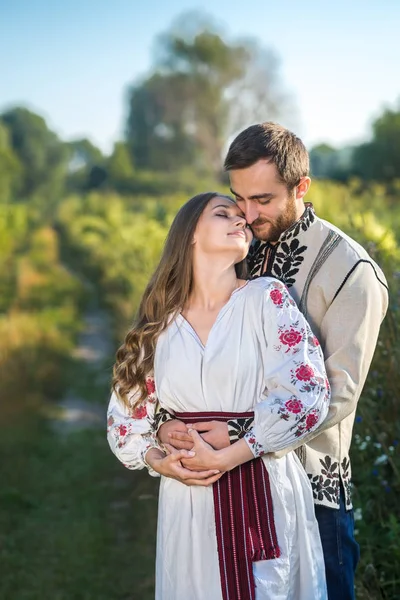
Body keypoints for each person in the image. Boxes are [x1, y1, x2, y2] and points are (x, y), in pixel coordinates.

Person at [157, 123, 389, 600]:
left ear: (301, 187)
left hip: (311, 485)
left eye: (262, 199)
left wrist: (238, 434)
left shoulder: (353, 272)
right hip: (220, 481)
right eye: (238, 198)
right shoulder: (241, 245)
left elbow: (338, 393)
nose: (247, 212)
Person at [107, 192, 331, 600]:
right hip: (189, 497)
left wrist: (230, 452)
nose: (240, 220)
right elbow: (125, 422)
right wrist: (161, 458)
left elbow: (308, 393)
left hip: (260, 483)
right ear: (190, 233)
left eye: (241, 216)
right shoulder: (160, 321)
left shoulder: (266, 298)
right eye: (223, 213)